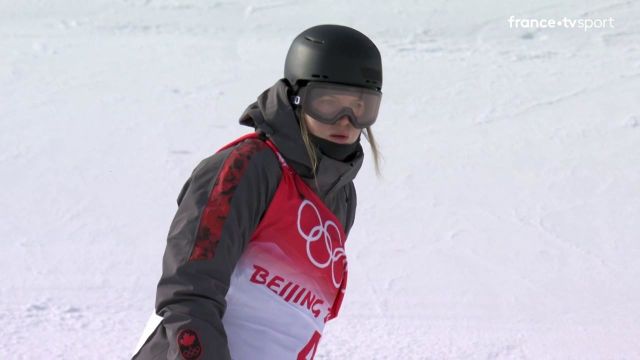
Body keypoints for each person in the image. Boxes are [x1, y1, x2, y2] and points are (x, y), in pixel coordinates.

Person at [132, 24, 383, 360]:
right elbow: (189, 294)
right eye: (328, 103)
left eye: (361, 106)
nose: (346, 120)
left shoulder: (341, 195)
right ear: (297, 99)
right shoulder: (246, 169)